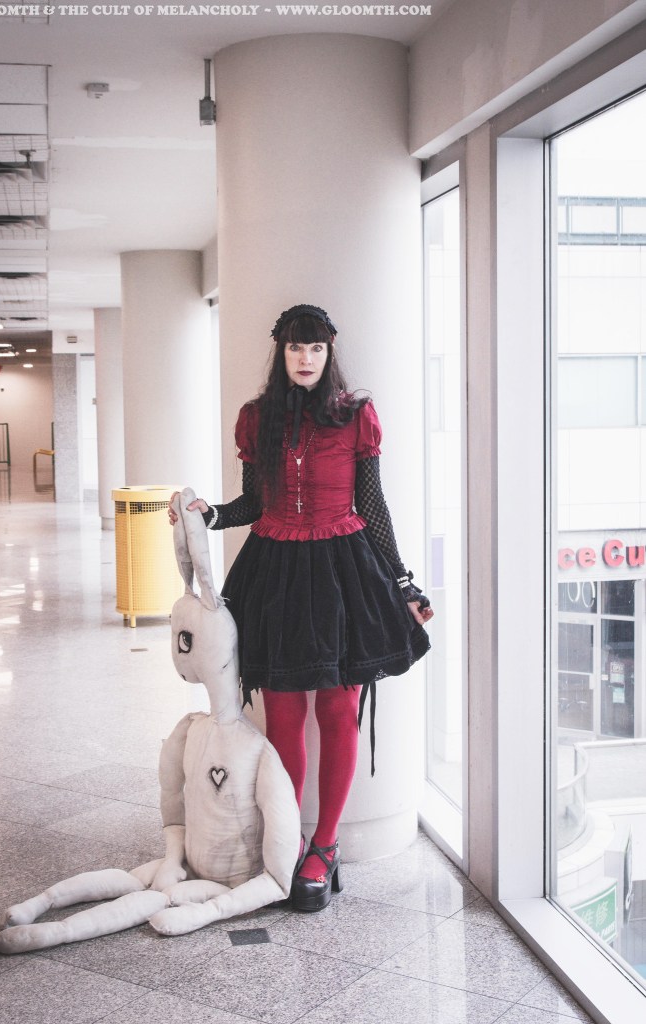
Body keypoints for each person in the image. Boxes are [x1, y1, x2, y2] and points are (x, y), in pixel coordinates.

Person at [168, 303, 433, 913]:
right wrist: (211, 515)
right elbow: (253, 503)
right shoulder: (256, 419)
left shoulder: (355, 416)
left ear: (329, 353)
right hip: (278, 574)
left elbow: (374, 508)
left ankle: (325, 846)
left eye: (315, 349)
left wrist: (401, 579)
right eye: (295, 348)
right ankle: (287, 837)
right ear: (282, 354)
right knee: (282, 719)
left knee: (339, 712)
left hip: (343, 576)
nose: (305, 359)